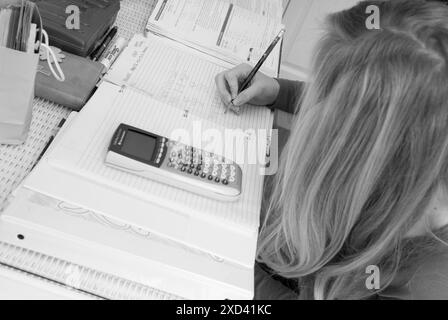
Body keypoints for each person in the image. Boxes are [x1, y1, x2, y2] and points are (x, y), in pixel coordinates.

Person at [215, 0, 448, 300]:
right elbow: (363, 105)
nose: (312, 111)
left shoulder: (420, 285)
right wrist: (278, 90)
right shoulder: (417, 149)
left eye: (323, 102)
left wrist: (229, 269)